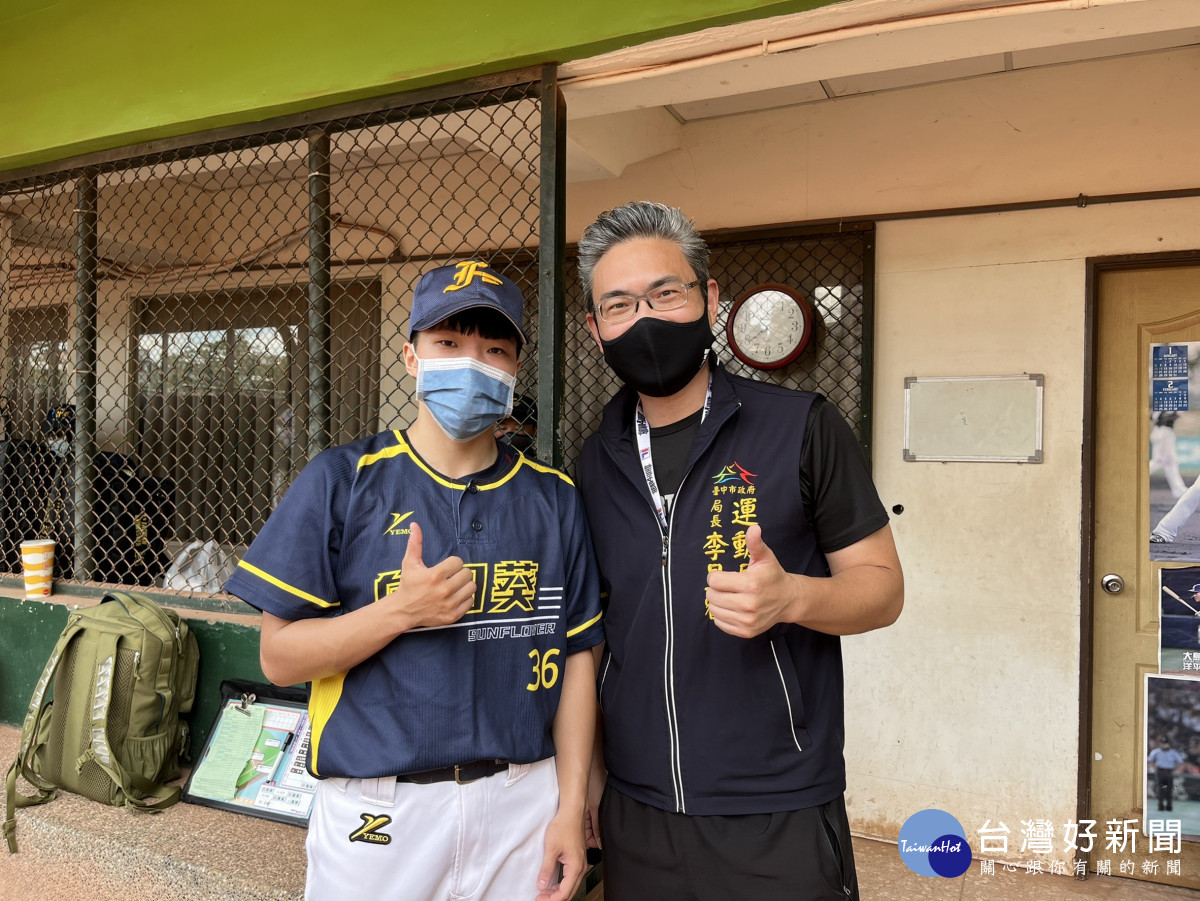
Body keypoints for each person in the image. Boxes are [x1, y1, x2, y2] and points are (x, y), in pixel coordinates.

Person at [224, 260, 604, 901]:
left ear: (515, 370)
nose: (471, 363)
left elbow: (577, 658)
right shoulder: (342, 480)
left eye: (494, 349)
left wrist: (571, 805)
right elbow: (280, 657)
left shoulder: (554, 497)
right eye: (448, 344)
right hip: (380, 810)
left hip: (523, 800)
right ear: (410, 355)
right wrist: (400, 612)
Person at [574, 202, 903, 900]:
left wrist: (795, 597)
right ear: (596, 330)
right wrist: (592, 783)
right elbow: (593, 634)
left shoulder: (802, 427)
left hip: (776, 805)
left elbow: (882, 588)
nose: (647, 318)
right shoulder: (592, 462)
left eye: (666, 292)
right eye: (620, 304)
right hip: (638, 806)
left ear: (709, 298)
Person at [1148, 736, 1186, 812]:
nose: (1164, 745)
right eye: (1162, 743)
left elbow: (1180, 762)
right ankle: (1160, 805)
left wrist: (1174, 770)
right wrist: (1156, 769)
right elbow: (1150, 760)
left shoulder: (1173, 752)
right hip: (1160, 772)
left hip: (1169, 772)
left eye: (1165, 743)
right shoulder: (1156, 752)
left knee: (1169, 789)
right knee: (1160, 789)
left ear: (1168, 744)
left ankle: (1169, 805)